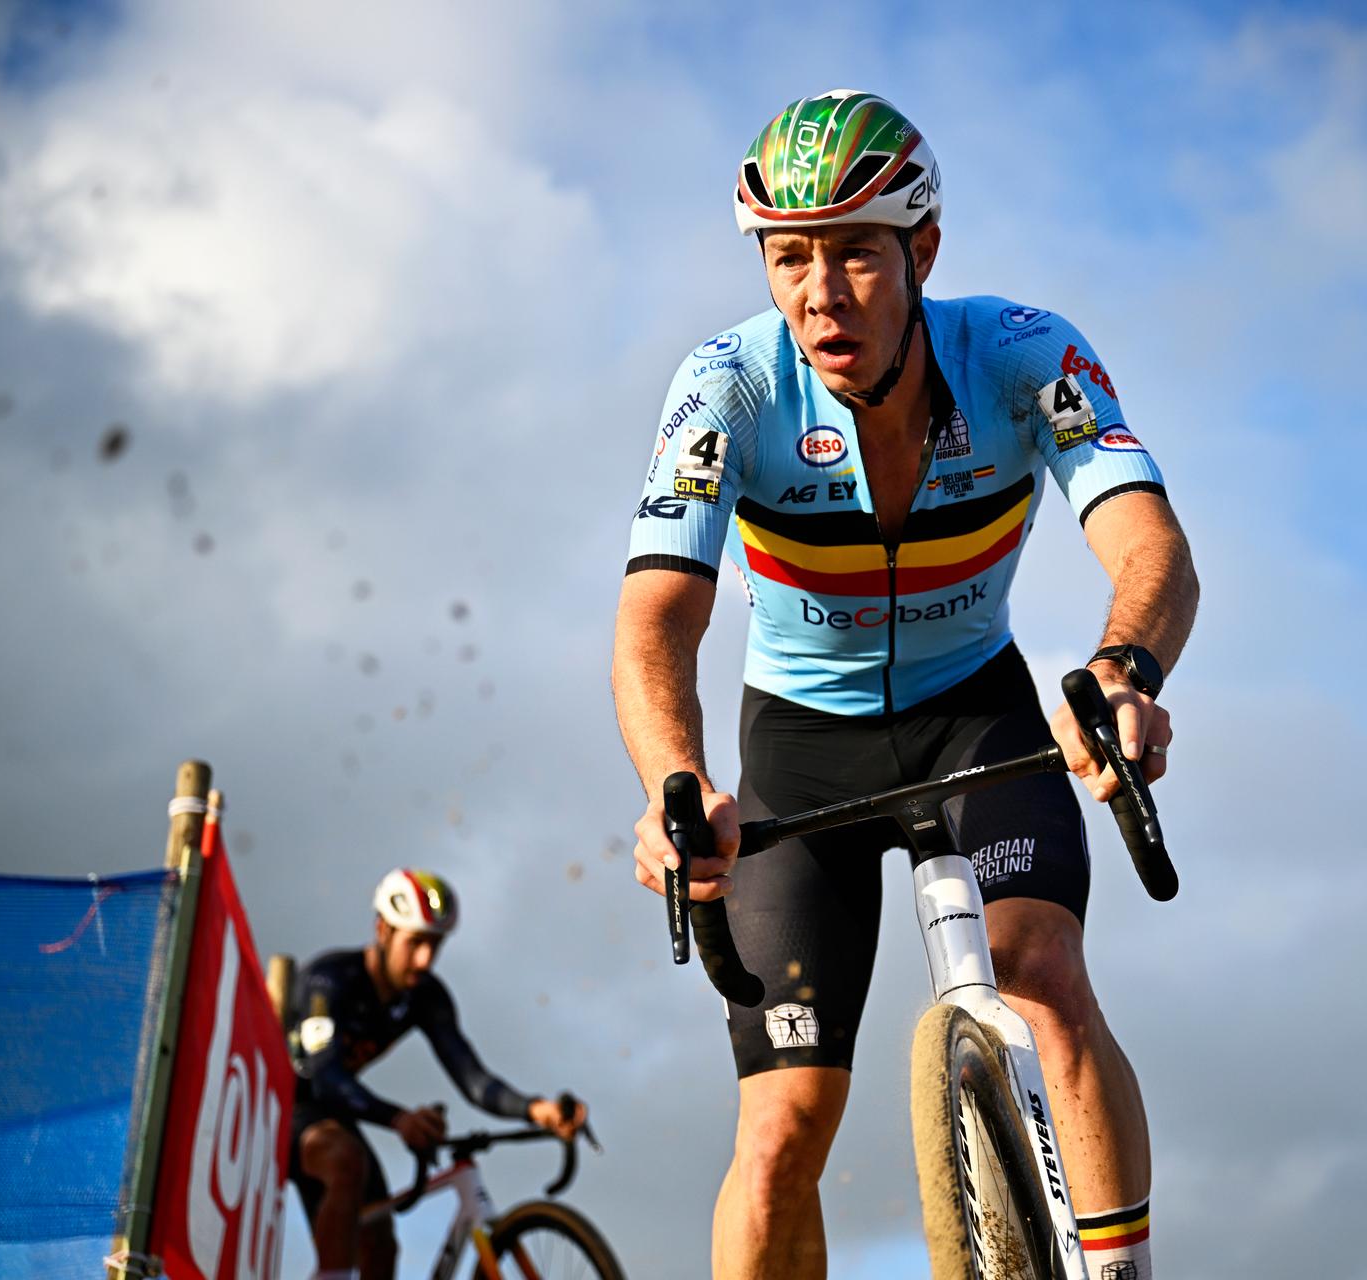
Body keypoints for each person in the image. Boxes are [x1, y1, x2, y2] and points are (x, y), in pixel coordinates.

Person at [614, 89, 1198, 1280]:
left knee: (1043, 975)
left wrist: (1120, 674)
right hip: (799, 743)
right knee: (779, 1133)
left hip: (975, 719)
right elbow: (653, 620)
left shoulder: (1025, 353)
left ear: (922, 250)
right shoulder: (730, 384)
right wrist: (677, 782)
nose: (819, 291)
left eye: (853, 254)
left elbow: (1153, 548)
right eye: (788, 256)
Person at [286, 868, 587, 1280]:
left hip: (334, 1112)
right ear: (383, 930)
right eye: (415, 943)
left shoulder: (425, 995)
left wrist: (535, 1109)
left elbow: (472, 1076)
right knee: (345, 1159)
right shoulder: (330, 979)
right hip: (280, 1104)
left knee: (380, 1241)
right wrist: (398, 1118)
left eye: (435, 945)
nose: (425, 960)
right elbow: (325, 1078)